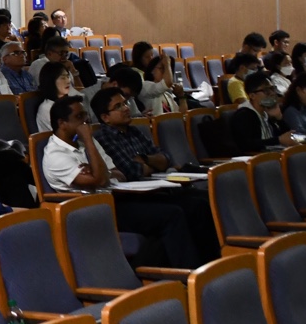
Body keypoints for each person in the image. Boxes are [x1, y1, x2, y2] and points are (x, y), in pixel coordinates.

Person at [41, 96, 201, 267]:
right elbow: (100, 179)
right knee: (172, 215)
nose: (85, 122)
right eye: (79, 117)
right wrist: (89, 143)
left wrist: (100, 171)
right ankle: (188, 274)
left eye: (85, 116)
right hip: (93, 212)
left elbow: (118, 174)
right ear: (62, 123)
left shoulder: (84, 142)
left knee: (191, 204)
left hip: (116, 198)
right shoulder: (56, 154)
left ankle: (207, 266)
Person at [230, 72, 296, 151]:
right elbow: (247, 145)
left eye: (272, 88)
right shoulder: (244, 115)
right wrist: (278, 140)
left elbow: (287, 137)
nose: (272, 93)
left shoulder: (267, 111)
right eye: (266, 90)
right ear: (252, 96)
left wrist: (279, 119)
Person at [32, 61, 73, 133]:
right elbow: (63, 133)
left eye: (68, 76)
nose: (68, 81)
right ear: (51, 81)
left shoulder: (69, 102)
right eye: (63, 78)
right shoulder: (46, 108)